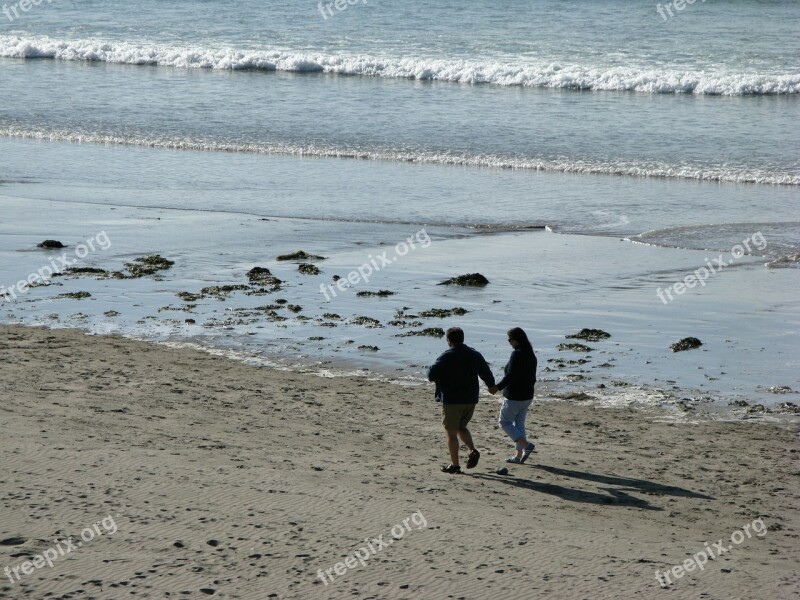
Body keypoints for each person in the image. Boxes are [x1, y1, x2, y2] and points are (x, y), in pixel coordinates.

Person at [428, 327, 496, 474]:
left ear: (449, 341)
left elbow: (431, 374)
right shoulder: (475, 355)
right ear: (463, 339)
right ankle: (472, 450)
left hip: (452, 399)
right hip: (470, 399)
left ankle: (455, 465)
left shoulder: (446, 356)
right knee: (461, 427)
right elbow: (486, 372)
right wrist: (491, 386)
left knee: (450, 432)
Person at [490, 327, 537, 464]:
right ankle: (518, 456)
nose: (509, 342)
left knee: (504, 422)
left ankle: (526, 445)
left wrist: (497, 387)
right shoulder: (530, 354)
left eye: (510, 340)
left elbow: (511, 375)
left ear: (516, 340)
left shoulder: (517, 354)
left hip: (515, 396)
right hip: (527, 396)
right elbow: (531, 377)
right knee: (519, 424)